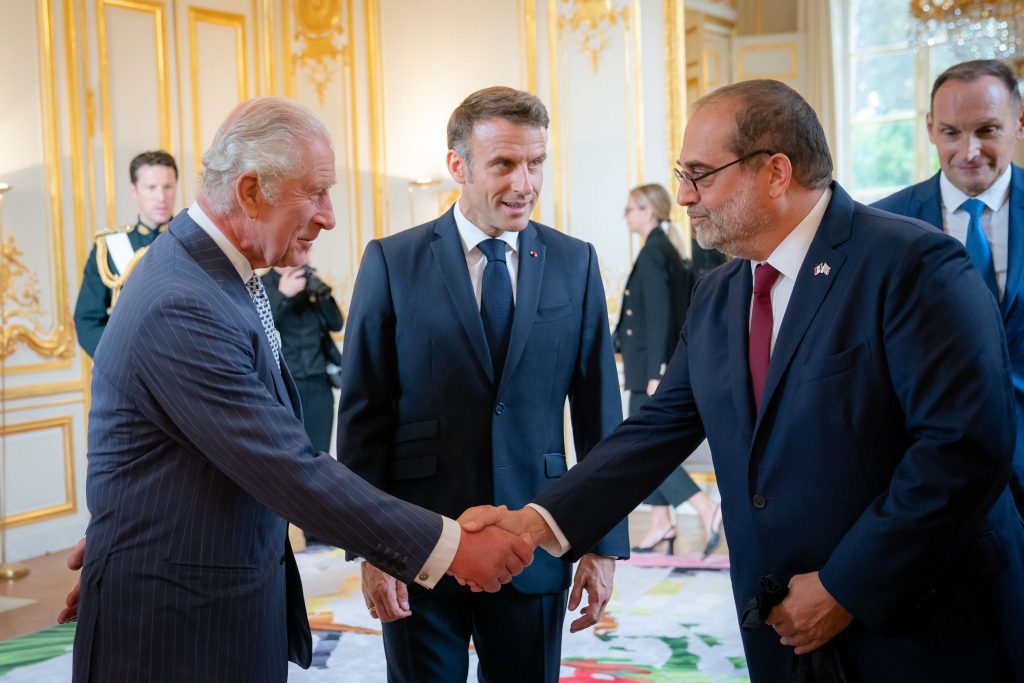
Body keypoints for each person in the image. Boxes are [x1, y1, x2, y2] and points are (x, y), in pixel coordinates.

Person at [464, 80, 1024, 681]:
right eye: (682, 173)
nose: (682, 195)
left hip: (920, 625)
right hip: (780, 622)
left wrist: (844, 587)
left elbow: (961, 451)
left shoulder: (914, 265)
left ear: (776, 172)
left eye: (700, 174)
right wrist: (536, 522)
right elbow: (656, 430)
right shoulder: (719, 293)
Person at [65, 97, 533, 683]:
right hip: (179, 629)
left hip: (200, 602)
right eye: (316, 192)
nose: (330, 216)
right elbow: (290, 469)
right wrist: (453, 548)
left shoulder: (212, 275)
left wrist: (126, 524)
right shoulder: (183, 301)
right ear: (251, 191)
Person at [337, 86, 628, 683]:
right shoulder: (392, 261)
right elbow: (364, 416)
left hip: (537, 540)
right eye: (504, 164)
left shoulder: (576, 263)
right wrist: (374, 547)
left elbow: (601, 413)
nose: (525, 183)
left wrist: (601, 544)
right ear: (457, 166)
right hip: (418, 545)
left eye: (536, 162)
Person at [874, 58, 1024, 519]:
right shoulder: (883, 226)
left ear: (1019, 123)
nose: (970, 151)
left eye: (987, 130)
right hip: (929, 474)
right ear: (929, 129)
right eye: (952, 132)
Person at [617, 183, 722, 557]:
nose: (625, 215)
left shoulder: (653, 252)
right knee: (647, 447)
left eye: (630, 208)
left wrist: (657, 371)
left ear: (647, 212)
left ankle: (705, 507)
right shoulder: (664, 248)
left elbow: (662, 315)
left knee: (643, 450)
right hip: (648, 367)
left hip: (650, 370)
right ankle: (662, 523)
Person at [73, 150, 178, 356]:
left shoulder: (195, 241)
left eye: (168, 187)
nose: (161, 197)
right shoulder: (110, 247)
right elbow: (87, 320)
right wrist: (120, 358)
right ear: (134, 190)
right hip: (129, 368)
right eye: (151, 188)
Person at [262, 264, 344, 452]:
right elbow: (259, 329)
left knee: (320, 451)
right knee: (287, 452)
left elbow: (336, 324)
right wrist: (282, 294)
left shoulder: (311, 284)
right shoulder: (262, 285)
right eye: (299, 247)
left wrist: (322, 294)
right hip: (283, 387)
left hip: (319, 385)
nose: (303, 255)